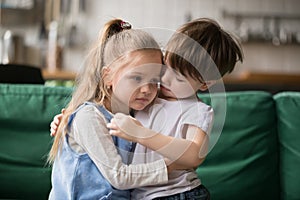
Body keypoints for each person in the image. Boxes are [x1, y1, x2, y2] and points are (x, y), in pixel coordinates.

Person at [50, 18, 243, 200]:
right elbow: (96, 113)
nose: (162, 82)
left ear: (205, 84)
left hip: (179, 193)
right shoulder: (145, 101)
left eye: (178, 78)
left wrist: (140, 134)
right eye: (164, 69)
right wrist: (67, 119)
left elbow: (194, 154)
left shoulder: (194, 110)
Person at [47, 18, 171, 200]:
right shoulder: (89, 117)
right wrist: (171, 167)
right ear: (108, 77)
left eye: (154, 81)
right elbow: (118, 176)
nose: (147, 89)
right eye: (136, 78)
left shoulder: (138, 113)